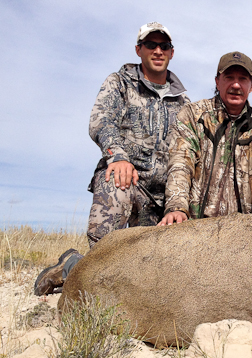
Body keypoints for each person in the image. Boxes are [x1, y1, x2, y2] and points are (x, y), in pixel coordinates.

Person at [34, 22, 190, 296]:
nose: (157, 50)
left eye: (163, 46)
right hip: (125, 181)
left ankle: (73, 265)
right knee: (107, 265)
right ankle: (76, 267)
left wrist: (178, 203)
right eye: (150, 45)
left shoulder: (183, 102)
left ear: (172, 52)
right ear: (138, 49)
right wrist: (117, 156)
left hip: (161, 199)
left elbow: (187, 151)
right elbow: (100, 121)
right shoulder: (119, 83)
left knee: (154, 278)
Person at [158, 51, 252, 225]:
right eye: (229, 77)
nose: (236, 85)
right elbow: (180, 164)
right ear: (217, 81)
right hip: (194, 224)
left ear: (251, 86)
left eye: (243, 79)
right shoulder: (193, 114)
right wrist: (176, 207)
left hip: (238, 230)